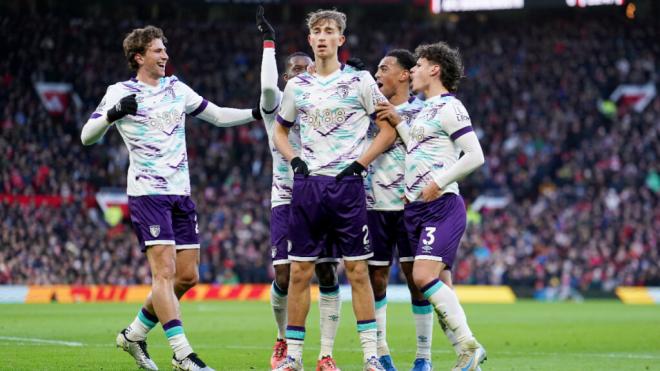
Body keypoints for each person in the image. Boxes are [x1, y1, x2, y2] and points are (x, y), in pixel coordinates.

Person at [81, 25, 261, 371]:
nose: (165, 56)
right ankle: (182, 353)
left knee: (188, 276)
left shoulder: (176, 87)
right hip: (148, 194)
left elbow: (218, 115)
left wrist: (256, 113)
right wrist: (113, 113)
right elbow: (88, 136)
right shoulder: (119, 91)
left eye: (165, 50)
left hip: (181, 192)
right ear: (139, 56)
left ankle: (134, 334)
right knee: (163, 274)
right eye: (158, 51)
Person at [272, 9, 397, 371]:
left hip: (348, 187)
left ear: (341, 40)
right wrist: (294, 159)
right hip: (309, 187)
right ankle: (293, 357)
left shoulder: (359, 81)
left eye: (330, 31)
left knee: (357, 271)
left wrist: (361, 163)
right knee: (299, 272)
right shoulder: (297, 87)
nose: (323, 36)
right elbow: (280, 130)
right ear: (310, 40)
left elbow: (387, 129)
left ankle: (370, 356)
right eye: (316, 31)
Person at [377, 41, 487, 371]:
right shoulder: (426, 109)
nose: (414, 72)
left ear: (434, 69)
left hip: (441, 205)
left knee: (423, 277)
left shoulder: (450, 107)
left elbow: (475, 155)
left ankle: (471, 346)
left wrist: (439, 182)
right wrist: (399, 122)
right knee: (441, 292)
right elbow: (418, 148)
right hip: (417, 208)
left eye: (420, 66)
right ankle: (468, 360)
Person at [256, 7, 343, 370]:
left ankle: (325, 354)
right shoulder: (274, 104)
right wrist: (268, 44)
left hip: (322, 195)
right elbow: (265, 85)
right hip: (287, 198)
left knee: (327, 273)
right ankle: (282, 340)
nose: (301, 74)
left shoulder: (317, 98)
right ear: (285, 76)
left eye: (305, 69)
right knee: (284, 273)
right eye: (293, 70)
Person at [365, 49, 433, 371]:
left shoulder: (423, 110)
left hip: (412, 206)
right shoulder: (367, 110)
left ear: (405, 74)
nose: (378, 74)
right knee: (376, 279)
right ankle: (381, 352)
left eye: (384, 68)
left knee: (416, 281)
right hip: (374, 205)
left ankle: (423, 357)